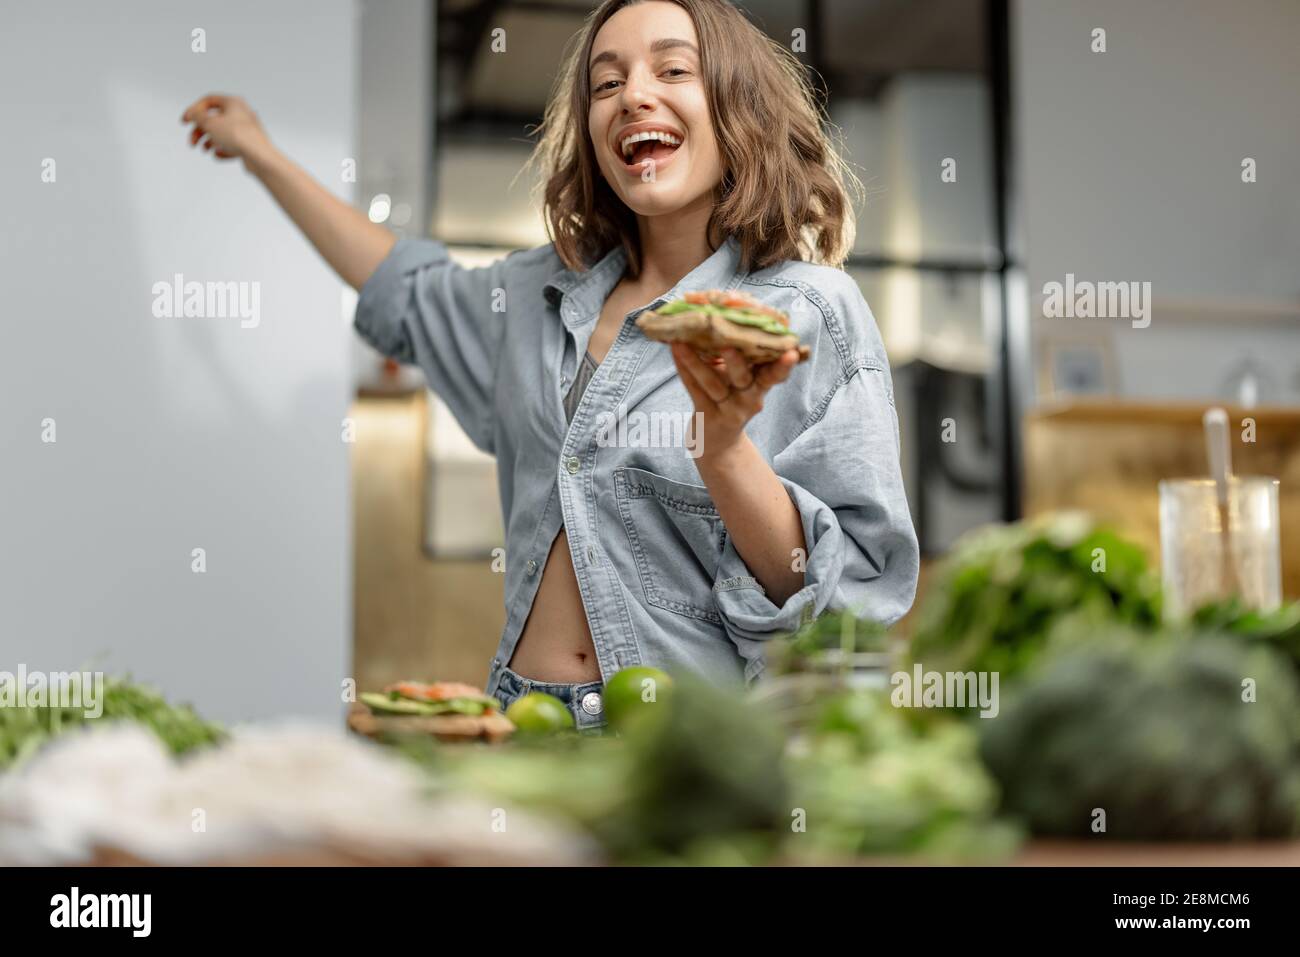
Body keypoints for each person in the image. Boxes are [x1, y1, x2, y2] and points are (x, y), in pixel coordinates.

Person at [180, 0, 918, 730]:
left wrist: (722, 449)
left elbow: (837, 600)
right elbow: (401, 286)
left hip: (679, 744)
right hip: (519, 725)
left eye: (672, 69)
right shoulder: (534, 297)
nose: (634, 95)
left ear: (735, 103)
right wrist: (262, 155)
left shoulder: (808, 314)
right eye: (607, 83)